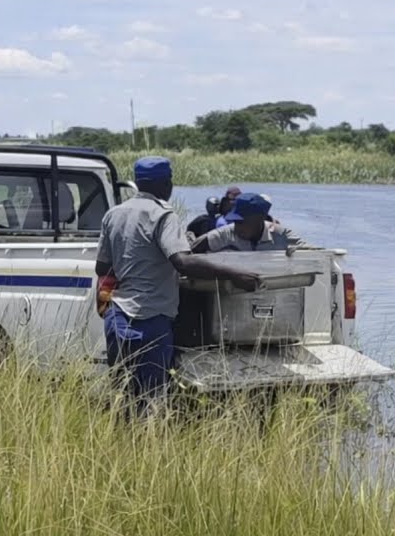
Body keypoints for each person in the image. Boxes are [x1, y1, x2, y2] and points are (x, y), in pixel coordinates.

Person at [96, 156, 260, 410]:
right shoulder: (163, 216)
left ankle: (120, 434)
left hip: (117, 317)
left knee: (123, 394)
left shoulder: (113, 214)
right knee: (151, 399)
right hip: (150, 318)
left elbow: (102, 268)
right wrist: (234, 274)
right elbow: (183, 262)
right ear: (166, 184)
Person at [191, 192, 304, 253]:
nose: (237, 227)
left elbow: (311, 252)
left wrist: (297, 253)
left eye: (241, 222)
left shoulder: (280, 234)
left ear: (260, 218)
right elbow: (194, 248)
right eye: (235, 221)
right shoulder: (228, 232)